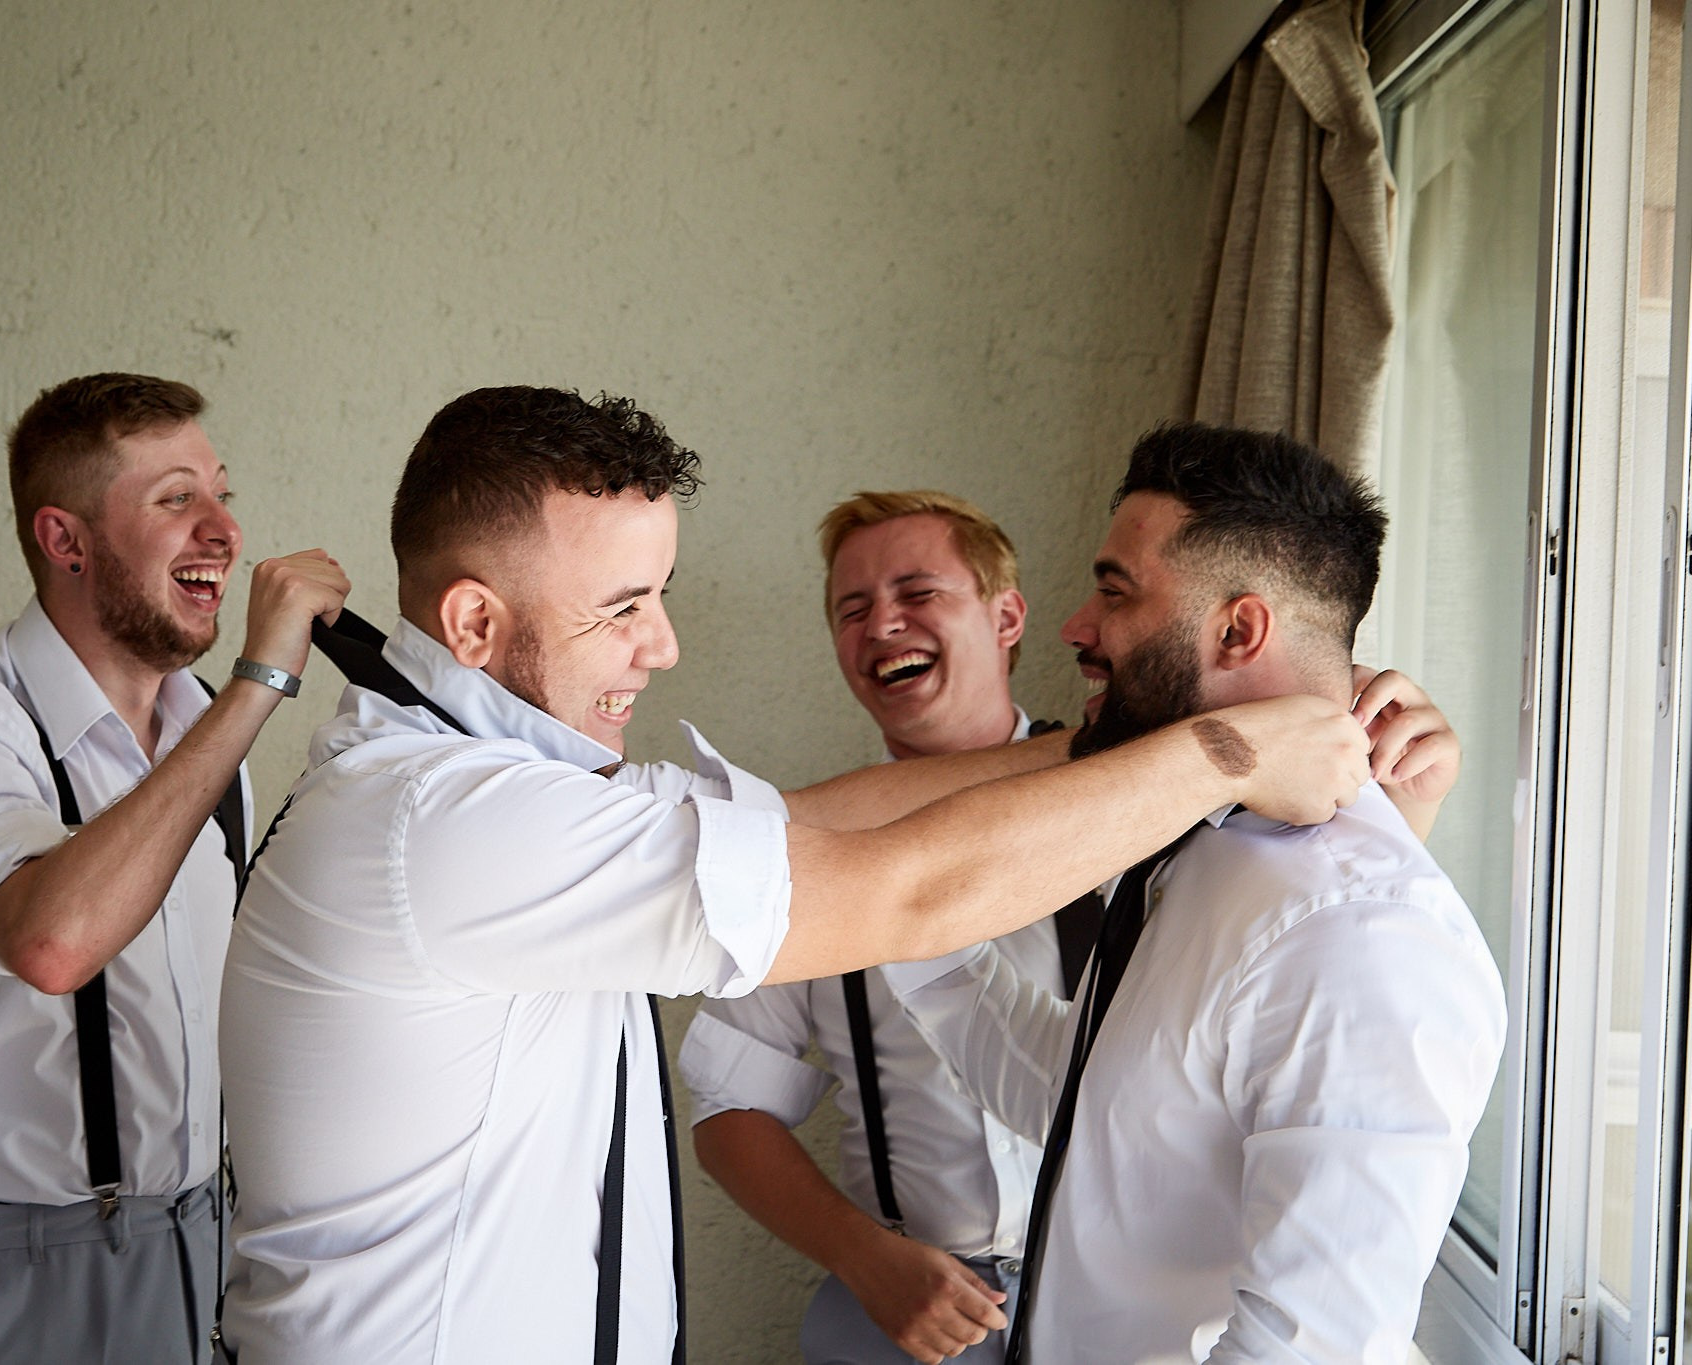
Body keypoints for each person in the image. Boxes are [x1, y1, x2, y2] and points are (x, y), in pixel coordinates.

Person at [216, 387, 1372, 1365]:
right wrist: (1229, 748)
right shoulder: (455, 818)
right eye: (623, 608)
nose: (662, 646)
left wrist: (1116, 730)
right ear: (473, 621)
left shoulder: (501, 781)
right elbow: (895, 896)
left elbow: (811, 821)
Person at [879, 422, 1504, 1364]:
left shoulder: (1362, 933)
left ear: (1238, 629)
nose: (1077, 627)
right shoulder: (1206, 843)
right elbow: (1089, 1097)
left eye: (1114, 590)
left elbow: (1305, 1345)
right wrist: (908, 910)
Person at [0, 373, 350, 1365]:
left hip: (206, 1237)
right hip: (14, 1263)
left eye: (221, 493)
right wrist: (258, 687)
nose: (223, 530)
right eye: (176, 499)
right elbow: (51, 944)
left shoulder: (197, 723)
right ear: (65, 540)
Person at [680, 490, 1073, 1364]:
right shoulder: (809, 857)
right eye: (851, 609)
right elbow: (728, 1102)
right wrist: (866, 1260)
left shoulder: (1129, 800)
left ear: (1006, 615)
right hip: (906, 1324)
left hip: (1128, 1300)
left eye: (918, 592)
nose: (882, 622)